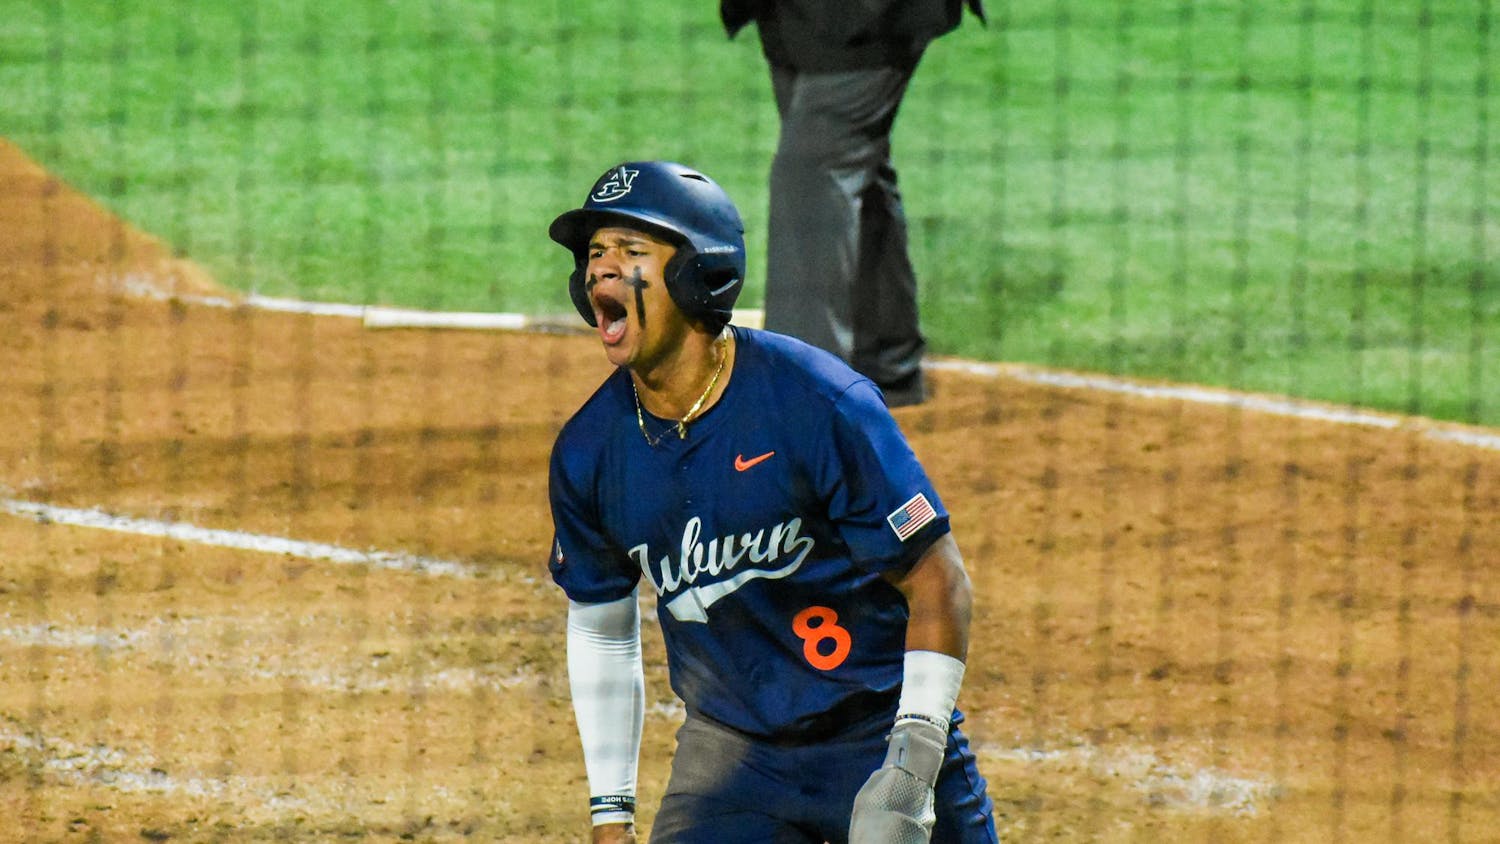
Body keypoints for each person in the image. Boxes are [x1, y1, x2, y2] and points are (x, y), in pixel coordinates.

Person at [545, 160, 997, 844]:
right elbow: (602, 626)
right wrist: (611, 816)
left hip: (877, 730)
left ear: (701, 275)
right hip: (731, 760)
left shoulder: (814, 402)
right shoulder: (591, 451)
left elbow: (939, 581)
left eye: (632, 253)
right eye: (595, 255)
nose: (602, 271)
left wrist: (911, 768)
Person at [719, 0, 987, 408]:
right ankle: (880, 359)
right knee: (849, 164)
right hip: (795, 17)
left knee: (813, 174)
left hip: (869, 16)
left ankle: (804, 402)